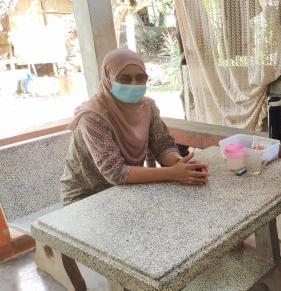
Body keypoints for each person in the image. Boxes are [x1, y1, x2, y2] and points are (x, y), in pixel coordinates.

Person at [61, 48, 208, 205]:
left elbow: (162, 145)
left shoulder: (147, 106)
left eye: (140, 78)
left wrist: (180, 164)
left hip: (127, 189)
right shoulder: (93, 116)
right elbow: (115, 172)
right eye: (124, 79)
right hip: (86, 197)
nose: (134, 84)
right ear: (108, 79)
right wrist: (172, 173)